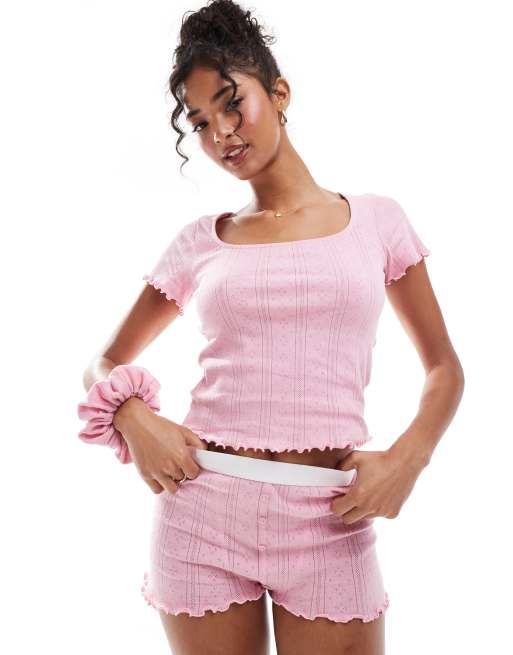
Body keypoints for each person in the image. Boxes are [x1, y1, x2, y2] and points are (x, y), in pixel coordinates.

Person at [77, 1, 465, 653]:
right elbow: (104, 361)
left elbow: (443, 367)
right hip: (201, 511)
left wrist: (408, 458)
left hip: (330, 515)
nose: (222, 134)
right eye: (201, 122)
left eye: (232, 104)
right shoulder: (201, 240)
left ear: (279, 93)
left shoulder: (376, 221)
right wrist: (136, 419)